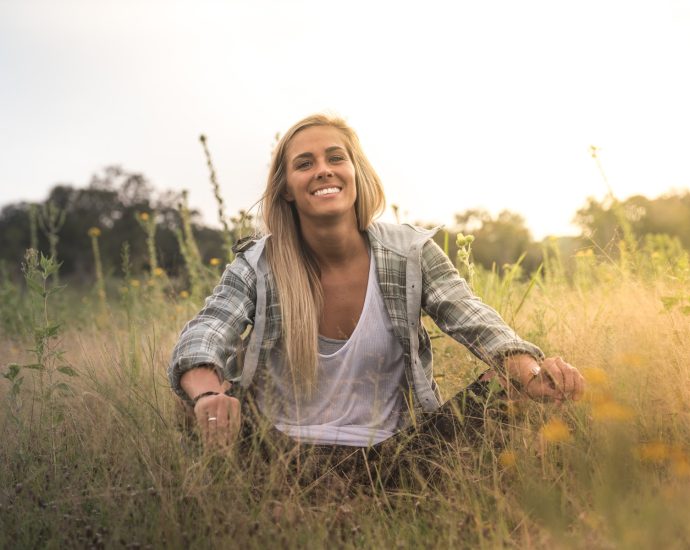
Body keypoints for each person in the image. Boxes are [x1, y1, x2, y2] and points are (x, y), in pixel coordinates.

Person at [168, 113, 585, 462]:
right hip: (277, 455)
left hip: (399, 455)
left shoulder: (410, 253)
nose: (323, 170)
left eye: (335, 158)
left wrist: (531, 371)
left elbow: (472, 319)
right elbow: (207, 332)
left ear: (355, 172)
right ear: (287, 189)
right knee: (194, 396)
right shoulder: (257, 264)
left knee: (507, 390)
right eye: (304, 163)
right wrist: (207, 395)